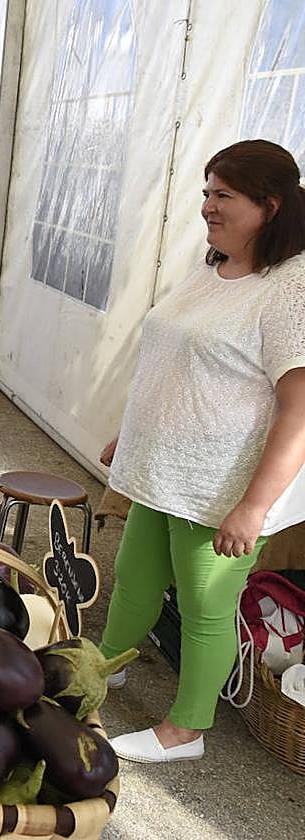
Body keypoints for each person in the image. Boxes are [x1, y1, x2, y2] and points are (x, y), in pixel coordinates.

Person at [97, 139, 305, 764]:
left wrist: (253, 508)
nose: (208, 206)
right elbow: (176, 360)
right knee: (133, 583)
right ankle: (100, 670)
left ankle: (186, 730)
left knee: (206, 609)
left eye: (224, 195)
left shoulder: (290, 288)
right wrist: (129, 434)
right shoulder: (214, 264)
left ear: (269, 206)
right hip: (163, 470)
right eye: (207, 192)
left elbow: (299, 409)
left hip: (220, 483)